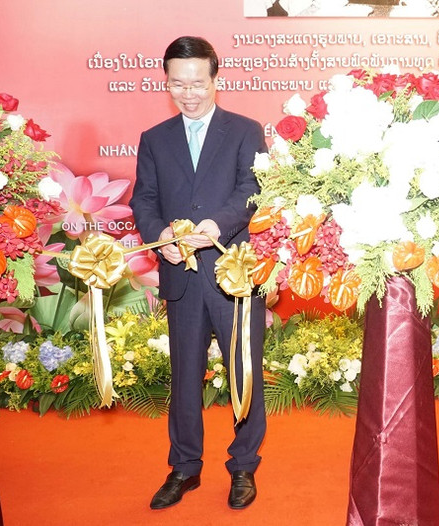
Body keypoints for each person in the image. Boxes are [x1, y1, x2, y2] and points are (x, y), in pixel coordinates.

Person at [129, 36, 268, 510]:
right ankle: (184, 468)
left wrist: (218, 225)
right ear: (166, 82)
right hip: (182, 278)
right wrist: (161, 235)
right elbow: (143, 199)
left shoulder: (246, 131)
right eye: (177, 84)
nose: (188, 93)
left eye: (197, 83)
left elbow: (253, 189)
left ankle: (244, 465)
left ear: (215, 80)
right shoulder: (154, 138)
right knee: (184, 377)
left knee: (242, 375)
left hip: (234, 274)